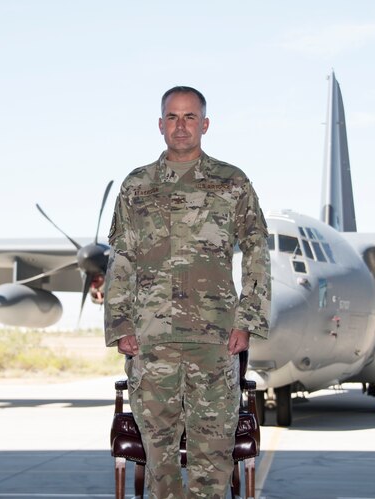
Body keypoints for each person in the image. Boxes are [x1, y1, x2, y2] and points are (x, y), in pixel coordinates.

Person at [104, 86, 271, 498]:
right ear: (161, 125)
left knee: (212, 459)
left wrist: (247, 320)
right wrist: (120, 323)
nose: (182, 126)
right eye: (173, 118)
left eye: (190, 117)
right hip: (151, 341)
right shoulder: (136, 186)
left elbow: (257, 251)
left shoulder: (232, 183)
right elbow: (121, 258)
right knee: (159, 461)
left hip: (214, 341)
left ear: (205, 124)